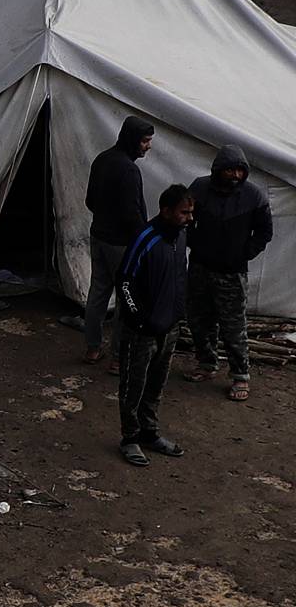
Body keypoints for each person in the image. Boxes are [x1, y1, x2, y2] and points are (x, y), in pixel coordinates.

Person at [185, 143, 273, 401]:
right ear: (218, 170)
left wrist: (244, 253)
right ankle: (206, 364)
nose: (235, 175)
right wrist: (194, 242)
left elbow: (265, 232)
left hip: (231, 273)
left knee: (233, 326)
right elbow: (186, 218)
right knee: (199, 320)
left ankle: (240, 375)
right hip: (200, 267)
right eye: (230, 170)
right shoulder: (200, 188)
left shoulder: (253, 196)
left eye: (239, 171)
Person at [116, 185, 194, 466]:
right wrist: (138, 318)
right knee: (132, 387)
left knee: (156, 386)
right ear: (166, 211)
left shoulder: (181, 237)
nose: (189, 217)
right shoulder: (145, 238)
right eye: (184, 212)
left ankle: (150, 432)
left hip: (169, 327)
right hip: (142, 332)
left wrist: (178, 313)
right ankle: (130, 438)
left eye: (190, 212)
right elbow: (125, 281)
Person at [82, 116, 153, 362]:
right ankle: (118, 357)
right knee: (127, 298)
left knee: (98, 293)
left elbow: (90, 201)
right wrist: (144, 241)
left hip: (98, 235)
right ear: (133, 140)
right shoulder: (129, 169)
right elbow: (132, 213)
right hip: (121, 244)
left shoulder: (102, 159)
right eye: (145, 141)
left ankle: (92, 348)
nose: (148, 146)